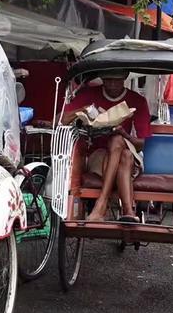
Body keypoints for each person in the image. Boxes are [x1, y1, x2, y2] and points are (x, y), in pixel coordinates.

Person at [62, 72, 151, 222]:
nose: (113, 85)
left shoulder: (137, 100)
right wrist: (83, 110)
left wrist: (124, 134)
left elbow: (140, 145)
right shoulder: (89, 94)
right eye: (108, 80)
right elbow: (61, 119)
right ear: (102, 79)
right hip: (99, 156)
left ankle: (101, 205)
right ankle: (129, 212)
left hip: (130, 155)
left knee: (119, 142)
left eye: (117, 80)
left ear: (125, 77)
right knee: (124, 155)